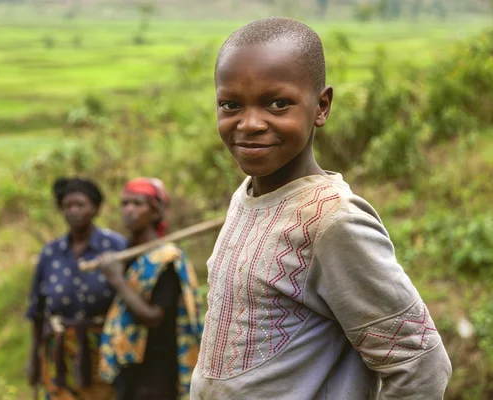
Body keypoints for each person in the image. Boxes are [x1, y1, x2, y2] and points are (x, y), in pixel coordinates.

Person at [190, 17, 451, 399]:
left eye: (277, 104)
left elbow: (421, 364)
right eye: (231, 105)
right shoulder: (246, 197)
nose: (249, 124)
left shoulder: (332, 221)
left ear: (321, 106)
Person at [96, 177, 204, 400]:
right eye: (125, 203)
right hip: (130, 365)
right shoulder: (127, 253)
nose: (129, 210)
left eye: (137, 204)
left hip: (157, 368)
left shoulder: (164, 260)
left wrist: (117, 279)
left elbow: (154, 317)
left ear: (155, 213)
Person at [25, 177, 127, 400]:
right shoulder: (51, 253)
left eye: (80, 205)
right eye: (67, 206)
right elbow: (37, 311)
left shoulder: (116, 247)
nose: (73, 211)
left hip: (103, 352)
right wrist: (33, 358)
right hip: (59, 354)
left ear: (95, 208)